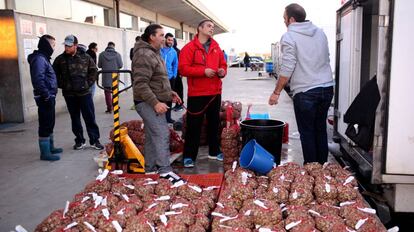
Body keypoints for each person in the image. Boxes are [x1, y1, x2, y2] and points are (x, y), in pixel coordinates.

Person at [268, 3, 334, 164]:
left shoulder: (289, 36)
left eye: (284, 18)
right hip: (326, 88)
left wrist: (276, 92)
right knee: (320, 130)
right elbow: (326, 57)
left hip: (306, 92)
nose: (284, 22)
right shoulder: (320, 33)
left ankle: (311, 169)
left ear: (291, 19)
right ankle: (322, 169)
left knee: (307, 132)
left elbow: (288, 67)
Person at [132, 24, 183, 182]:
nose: (164, 38)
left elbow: (156, 79)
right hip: (147, 102)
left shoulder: (155, 52)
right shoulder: (144, 54)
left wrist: (169, 93)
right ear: (152, 37)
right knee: (161, 133)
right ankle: (164, 170)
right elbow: (140, 84)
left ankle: (150, 169)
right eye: (161, 35)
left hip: (155, 99)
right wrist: (155, 103)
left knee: (152, 136)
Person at [178, 19, 227, 167]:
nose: (212, 28)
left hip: (214, 92)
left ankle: (214, 151)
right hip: (197, 94)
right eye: (209, 26)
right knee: (194, 126)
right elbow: (183, 69)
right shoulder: (189, 48)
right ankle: (189, 156)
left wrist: (222, 71)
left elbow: (223, 65)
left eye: (213, 26)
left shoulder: (216, 47)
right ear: (199, 28)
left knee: (214, 123)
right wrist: (203, 72)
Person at [53, 35, 104, 150]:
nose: (67, 48)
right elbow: (53, 74)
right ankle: (79, 141)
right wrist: (62, 85)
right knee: (75, 118)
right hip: (69, 94)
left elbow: (94, 71)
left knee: (90, 117)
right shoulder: (60, 59)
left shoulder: (86, 57)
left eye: (69, 46)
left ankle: (94, 140)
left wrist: (88, 84)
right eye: (66, 45)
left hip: (84, 93)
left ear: (75, 45)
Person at [28, 34, 63, 161]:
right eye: (53, 45)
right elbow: (38, 79)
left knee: (50, 122)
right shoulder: (39, 59)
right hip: (44, 97)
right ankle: (45, 153)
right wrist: (46, 95)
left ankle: (50, 147)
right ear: (46, 45)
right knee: (45, 123)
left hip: (48, 96)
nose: (54, 48)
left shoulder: (44, 58)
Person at [98, 41, 123, 113]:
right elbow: (120, 65)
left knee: (107, 92)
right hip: (115, 76)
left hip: (106, 76)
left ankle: (109, 107)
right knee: (115, 91)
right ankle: (115, 106)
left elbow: (99, 65)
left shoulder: (101, 55)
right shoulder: (118, 55)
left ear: (107, 46)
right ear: (113, 46)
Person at [160, 33, 178, 123]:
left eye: (172, 40)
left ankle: (168, 117)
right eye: (169, 40)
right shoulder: (159, 50)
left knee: (169, 98)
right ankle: (160, 117)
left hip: (170, 78)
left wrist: (174, 75)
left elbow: (175, 64)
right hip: (159, 78)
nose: (171, 42)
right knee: (159, 97)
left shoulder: (173, 52)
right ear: (165, 39)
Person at [172, 38, 184, 111]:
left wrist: (180, 73)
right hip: (173, 75)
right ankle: (177, 104)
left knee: (179, 90)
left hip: (178, 74)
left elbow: (180, 63)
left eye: (172, 41)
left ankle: (180, 105)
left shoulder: (177, 51)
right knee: (175, 90)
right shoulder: (170, 50)